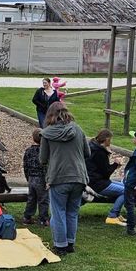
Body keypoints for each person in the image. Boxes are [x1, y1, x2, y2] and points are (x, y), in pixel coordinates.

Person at [39, 101, 91, 257]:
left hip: (58, 177)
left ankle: (60, 245)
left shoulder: (47, 133)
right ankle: (70, 243)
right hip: (78, 176)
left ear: (50, 114)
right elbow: (87, 153)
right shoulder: (78, 129)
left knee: (59, 211)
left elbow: (43, 158)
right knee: (72, 212)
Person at [84, 128, 126, 226]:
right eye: (110, 139)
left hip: (94, 180)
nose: (111, 141)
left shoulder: (92, 147)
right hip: (98, 184)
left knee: (124, 186)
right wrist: (116, 164)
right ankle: (112, 216)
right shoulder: (99, 152)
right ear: (106, 139)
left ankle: (117, 213)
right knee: (126, 191)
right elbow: (106, 173)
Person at [21, 128, 49, 226]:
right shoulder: (45, 151)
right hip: (41, 178)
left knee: (31, 198)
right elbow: (46, 166)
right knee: (43, 199)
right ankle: (43, 219)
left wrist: (27, 177)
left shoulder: (28, 151)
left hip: (31, 177)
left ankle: (27, 217)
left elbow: (25, 165)